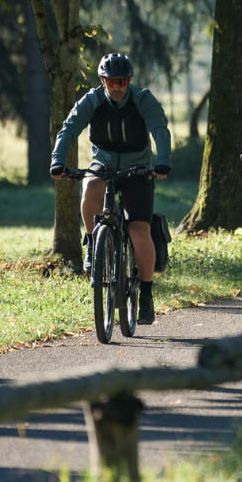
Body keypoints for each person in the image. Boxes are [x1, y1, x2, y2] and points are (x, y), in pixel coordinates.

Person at [51, 53, 171, 323]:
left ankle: (147, 295)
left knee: (139, 229)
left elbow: (159, 129)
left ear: (129, 81)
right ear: (103, 81)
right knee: (90, 185)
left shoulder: (143, 100)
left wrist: (162, 162)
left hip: (138, 168)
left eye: (122, 82)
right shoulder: (92, 101)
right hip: (103, 163)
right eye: (111, 82)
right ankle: (94, 244)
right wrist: (57, 161)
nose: (116, 87)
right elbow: (69, 128)